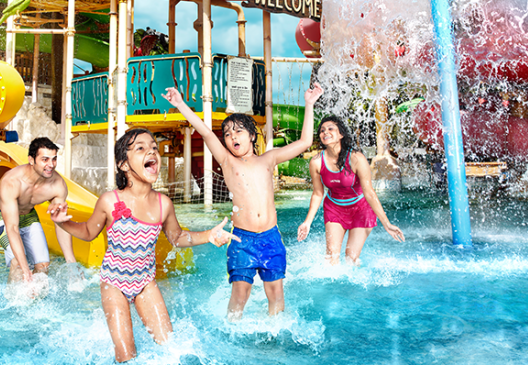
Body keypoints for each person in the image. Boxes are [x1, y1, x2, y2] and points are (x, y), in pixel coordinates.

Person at [50, 128, 238, 362]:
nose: (151, 151)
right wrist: (65, 224)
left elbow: (177, 237)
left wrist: (208, 235)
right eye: (140, 148)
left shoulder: (163, 204)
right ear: (124, 165)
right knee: (127, 354)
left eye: (153, 148)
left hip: (145, 283)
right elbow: (89, 232)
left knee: (170, 349)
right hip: (114, 283)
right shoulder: (110, 201)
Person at [162, 83, 324, 320]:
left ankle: (274, 335)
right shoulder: (228, 162)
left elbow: (305, 142)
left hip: (270, 237)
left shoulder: (269, 159)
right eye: (227, 134)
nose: (232, 137)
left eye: (238, 131)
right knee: (240, 295)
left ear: (251, 135)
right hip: (241, 239)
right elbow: (206, 132)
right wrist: (180, 105)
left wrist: (309, 104)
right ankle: (232, 332)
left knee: (276, 294)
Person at [297, 115, 405, 264]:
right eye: (322, 130)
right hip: (335, 208)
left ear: (341, 134)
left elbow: (369, 192)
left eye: (330, 129)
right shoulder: (316, 162)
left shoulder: (356, 158)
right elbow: (317, 193)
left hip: (361, 209)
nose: (325, 132)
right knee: (331, 258)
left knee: (350, 258)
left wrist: (387, 224)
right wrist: (307, 222)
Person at [0, 137, 77, 286]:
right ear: (31, 159)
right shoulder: (12, 181)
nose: (51, 165)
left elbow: (60, 222)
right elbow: (12, 228)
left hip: (28, 215)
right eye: (45, 159)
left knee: (43, 266)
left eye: (54, 159)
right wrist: (26, 270)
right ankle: (12, 301)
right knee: (17, 262)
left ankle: (34, 300)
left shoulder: (58, 185)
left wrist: (71, 262)